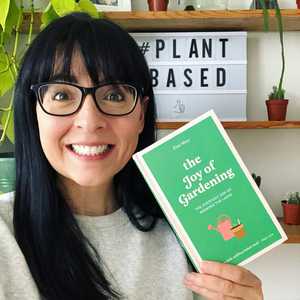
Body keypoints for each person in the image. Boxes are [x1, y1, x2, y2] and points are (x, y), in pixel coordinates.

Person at [0, 13, 263, 300]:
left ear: (141, 114)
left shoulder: (187, 233)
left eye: (113, 95)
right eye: (62, 95)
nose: (89, 121)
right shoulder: (5, 235)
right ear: (33, 113)